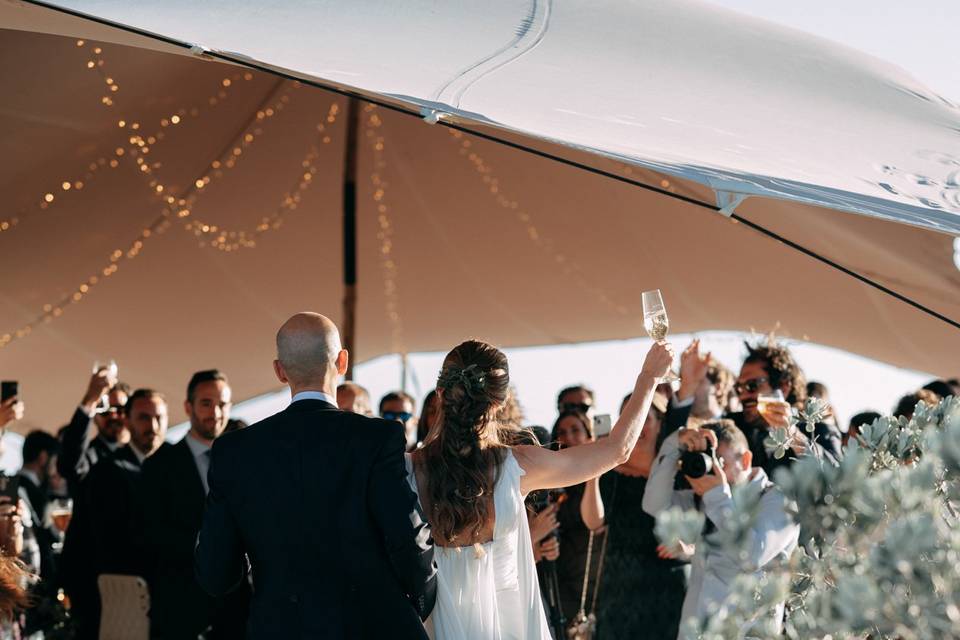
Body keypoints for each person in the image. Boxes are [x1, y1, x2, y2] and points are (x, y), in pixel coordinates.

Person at [407, 338, 674, 639]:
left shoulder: (404, 470)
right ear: (500, 401)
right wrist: (649, 377)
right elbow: (617, 449)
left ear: (441, 394)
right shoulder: (516, 467)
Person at [195, 312, 436, 639]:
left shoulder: (234, 452)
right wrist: (420, 603)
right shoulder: (376, 438)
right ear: (342, 362)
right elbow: (409, 540)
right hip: (373, 626)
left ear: (280, 371)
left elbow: (215, 574)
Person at [643, 420, 800, 638]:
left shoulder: (780, 501)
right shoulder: (705, 498)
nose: (714, 471)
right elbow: (653, 504)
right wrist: (674, 445)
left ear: (745, 460)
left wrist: (717, 497)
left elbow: (753, 554)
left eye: (721, 462)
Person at [140, 370, 250, 639]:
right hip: (181, 610)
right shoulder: (159, 466)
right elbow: (151, 535)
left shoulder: (244, 462)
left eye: (222, 404)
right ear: (188, 407)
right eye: (206, 403)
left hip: (239, 609)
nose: (215, 411)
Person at [63, 388, 168, 640]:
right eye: (143, 417)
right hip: (112, 598)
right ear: (129, 420)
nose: (152, 426)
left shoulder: (175, 464)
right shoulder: (106, 470)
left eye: (159, 417)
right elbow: (111, 542)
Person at [597, 390, 687, 640]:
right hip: (619, 591)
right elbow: (593, 522)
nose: (636, 424)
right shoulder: (608, 474)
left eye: (645, 417)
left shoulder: (683, 472)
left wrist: (688, 548)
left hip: (668, 590)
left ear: (660, 423)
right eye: (629, 416)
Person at [729, 341, 842, 475]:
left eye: (752, 385)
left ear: (783, 387)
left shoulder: (820, 431)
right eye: (739, 388)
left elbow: (837, 479)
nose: (743, 396)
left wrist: (793, 436)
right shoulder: (734, 428)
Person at [547, 411, 604, 625]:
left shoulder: (602, 475)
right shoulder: (549, 483)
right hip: (559, 579)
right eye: (561, 432)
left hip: (592, 577)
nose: (568, 437)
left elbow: (595, 522)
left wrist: (593, 468)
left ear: (588, 435)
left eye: (575, 430)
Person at [57, 369, 130, 495]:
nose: (113, 416)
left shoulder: (145, 453)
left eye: (119, 409)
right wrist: (89, 402)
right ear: (94, 416)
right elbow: (69, 466)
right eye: (104, 410)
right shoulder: (88, 456)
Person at [17, 431, 59, 582]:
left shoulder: (11, 484)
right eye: (54, 461)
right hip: (30, 581)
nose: (55, 469)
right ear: (43, 458)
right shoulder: (35, 494)